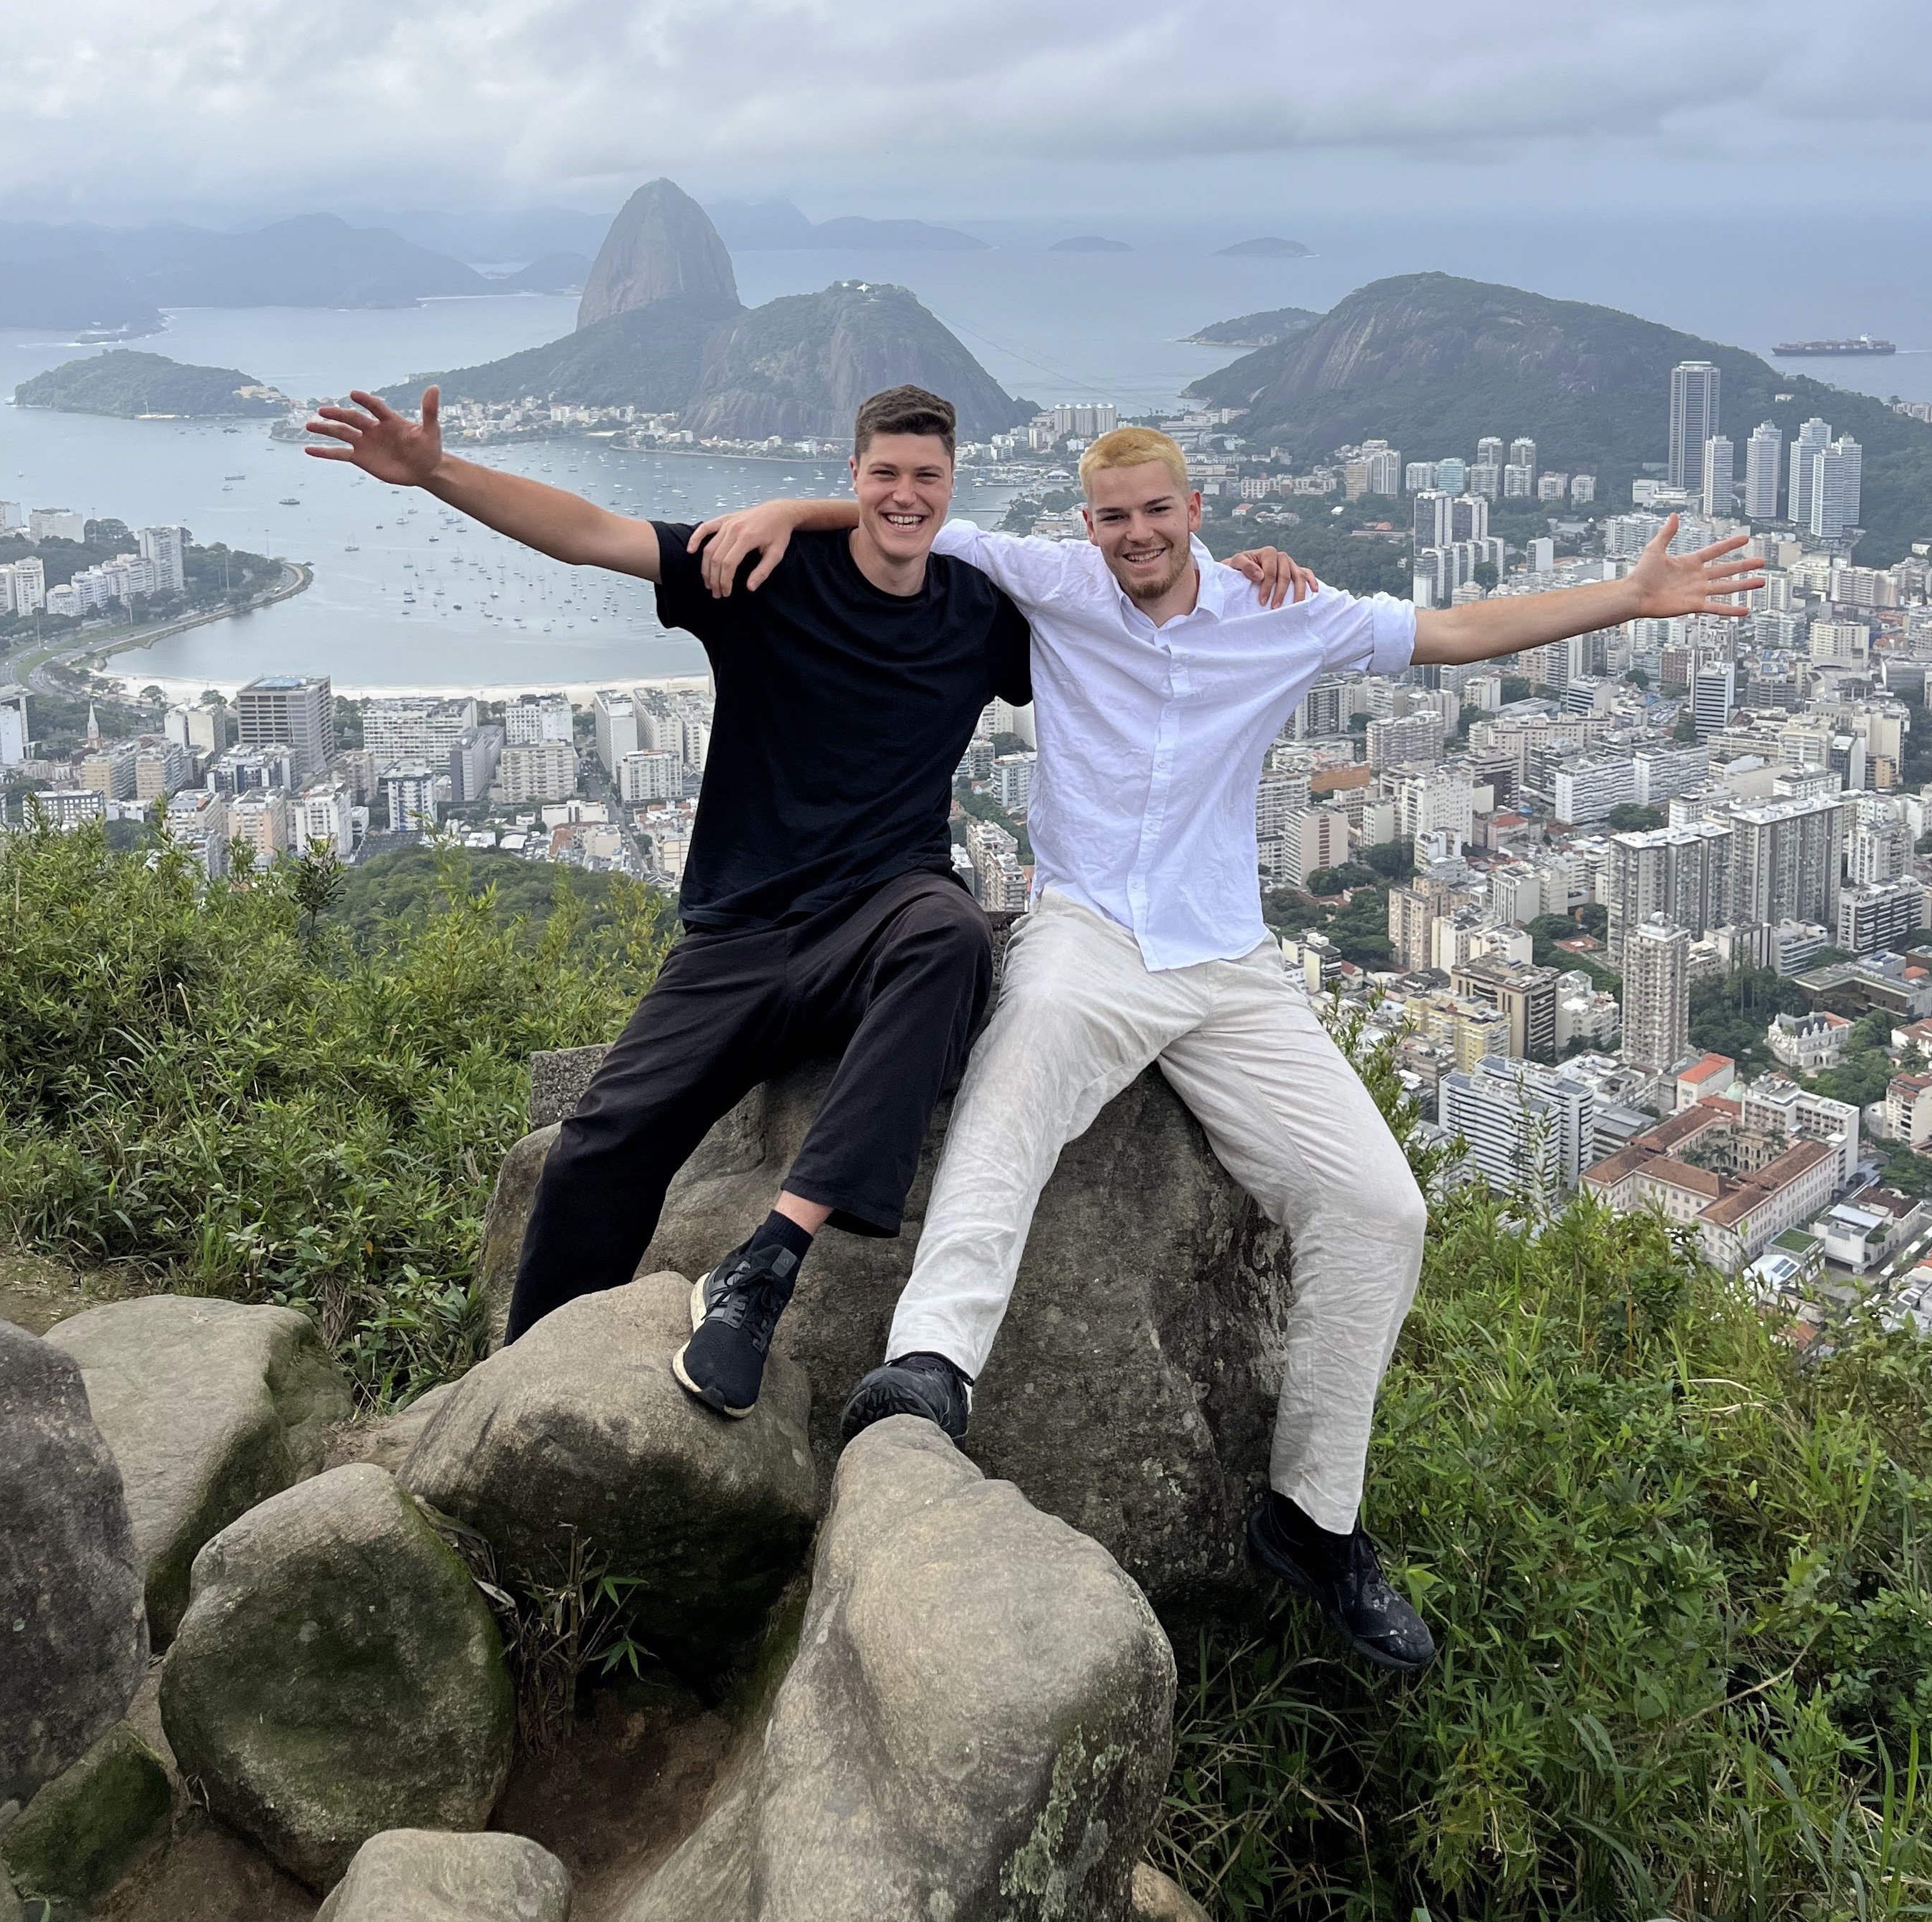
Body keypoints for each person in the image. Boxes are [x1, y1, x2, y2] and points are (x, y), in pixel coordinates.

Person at [689, 429, 1763, 1669]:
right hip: (1089, 931)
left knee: (1378, 1207)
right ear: (1084, 524)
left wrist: (1627, 599)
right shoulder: (1048, 578)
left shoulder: (1278, 609)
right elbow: (900, 516)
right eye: (1112, 519)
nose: (1136, 535)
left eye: (1156, 512)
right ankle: (931, 1364)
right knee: (1017, 1072)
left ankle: (1314, 1518)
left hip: (1227, 962)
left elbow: (1455, 630)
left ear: (1195, 508)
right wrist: (783, 505)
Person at [304, 385, 1314, 1420]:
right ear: (854, 478)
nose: (906, 495)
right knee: (595, 1149)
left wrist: (1230, 578)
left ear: (952, 487)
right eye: (885, 475)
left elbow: (1131, 605)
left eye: (927, 477)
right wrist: (437, 471)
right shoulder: (765, 570)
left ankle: (765, 1266)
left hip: (885, 907)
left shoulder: (979, 608)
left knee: (954, 936)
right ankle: (516, 1401)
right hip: (741, 928)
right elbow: (591, 535)